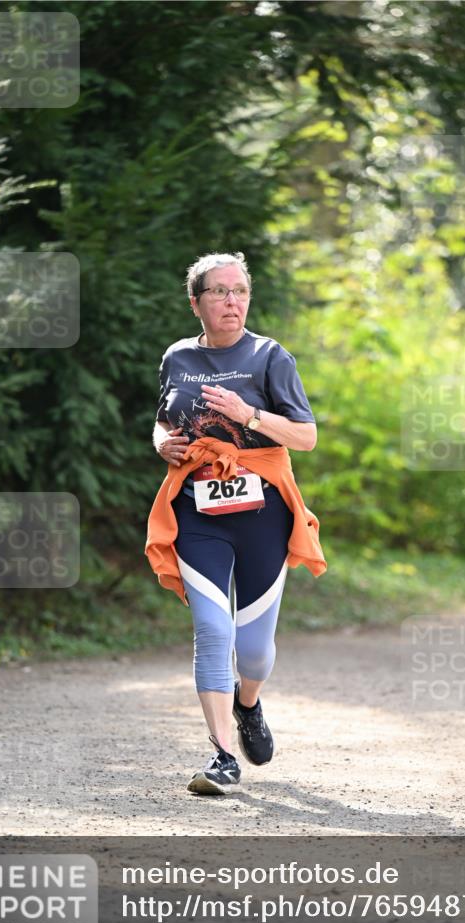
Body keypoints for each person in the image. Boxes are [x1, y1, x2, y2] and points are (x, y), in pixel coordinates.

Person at [145, 251, 326, 795]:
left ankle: (249, 704)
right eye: (219, 291)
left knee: (254, 650)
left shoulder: (271, 357)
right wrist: (165, 446)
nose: (232, 300)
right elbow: (162, 420)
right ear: (196, 301)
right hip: (196, 511)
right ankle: (223, 755)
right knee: (212, 628)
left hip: (263, 513)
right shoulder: (177, 356)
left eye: (240, 290)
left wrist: (246, 414)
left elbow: (306, 436)